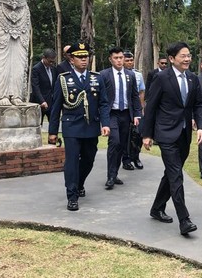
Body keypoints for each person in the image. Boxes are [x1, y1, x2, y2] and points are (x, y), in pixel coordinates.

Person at [142, 42, 202, 235]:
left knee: (171, 173)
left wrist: (201, 126)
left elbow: (199, 105)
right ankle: (184, 220)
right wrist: (147, 134)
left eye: (189, 55)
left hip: (185, 134)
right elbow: (150, 107)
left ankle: (157, 207)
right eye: (183, 56)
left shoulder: (193, 78)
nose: (187, 59)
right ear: (171, 59)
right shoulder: (161, 78)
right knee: (176, 174)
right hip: (166, 133)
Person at [49, 43, 110, 211]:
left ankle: (80, 182)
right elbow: (56, 106)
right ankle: (72, 194)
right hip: (71, 126)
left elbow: (104, 103)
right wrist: (53, 131)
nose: (84, 60)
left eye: (86, 57)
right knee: (72, 161)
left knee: (89, 159)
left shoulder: (97, 78)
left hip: (91, 125)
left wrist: (105, 124)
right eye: (80, 57)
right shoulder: (64, 79)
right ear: (72, 59)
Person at [100, 47, 141, 190]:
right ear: (110, 59)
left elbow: (135, 96)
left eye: (121, 57)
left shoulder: (130, 75)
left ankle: (115, 173)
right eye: (116, 58)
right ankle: (110, 176)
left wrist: (137, 114)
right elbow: (100, 98)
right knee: (115, 142)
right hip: (112, 114)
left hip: (126, 114)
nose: (119, 60)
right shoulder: (104, 75)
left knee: (123, 145)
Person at [122, 51, 145, 170]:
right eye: (127, 60)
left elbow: (141, 92)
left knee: (138, 135)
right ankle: (126, 159)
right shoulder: (119, 74)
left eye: (131, 60)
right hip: (125, 109)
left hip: (136, 109)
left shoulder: (137, 74)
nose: (130, 62)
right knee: (126, 136)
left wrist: (141, 109)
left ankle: (136, 156)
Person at [30, 49, 57, 125]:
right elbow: (35, 87)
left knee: (53, 124)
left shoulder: (53, 68)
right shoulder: (36, 69)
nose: (51, 63)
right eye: (49, 61)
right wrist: (42, 101)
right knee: (38, 124)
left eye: (53, 61)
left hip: (51, 102)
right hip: (40, 102)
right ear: (43, 58)